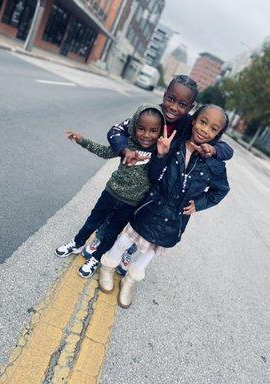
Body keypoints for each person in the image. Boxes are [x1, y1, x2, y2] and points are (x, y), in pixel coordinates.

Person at [83, 76, 234, 271]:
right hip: (134, 178)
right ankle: (101, 238)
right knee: (116, 212)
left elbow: (224, 148)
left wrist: (214, 150)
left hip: (158, 184)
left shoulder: (189, 124)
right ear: (164, 95)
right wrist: (124, 150)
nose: (173, 107)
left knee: (141, 222)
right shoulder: (151, 114)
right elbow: (117, 129)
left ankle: (128, 253)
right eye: (171, 99)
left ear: (190, 108)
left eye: (182, 104)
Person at [98, 104, 230, 309]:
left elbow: (220, 190)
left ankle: (130, 280)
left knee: (151, 251)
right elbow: (153, 176)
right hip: (151, 206)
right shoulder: (175, 143)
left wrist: (199, 204)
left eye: (213, 128)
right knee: (126, 239)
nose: (205, 130)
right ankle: (108, 266)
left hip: (175, 219)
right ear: (194, 120)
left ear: (218, 135)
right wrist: (161, 155)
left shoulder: (215, 163)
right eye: (203, 122)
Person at [55, 104, 167, 278]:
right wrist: (82, 140)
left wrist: (160, 155)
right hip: (110, 193)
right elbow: (104, 152)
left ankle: (96, 258)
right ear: (134, 126)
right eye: (141, 128)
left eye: (153, 130)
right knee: (93, 221)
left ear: (160, 132)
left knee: (112, 232)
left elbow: (156, 176)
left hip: (131, 204)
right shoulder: (126, 144)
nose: (146, 135)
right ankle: (77, 243)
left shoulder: (158, 152)